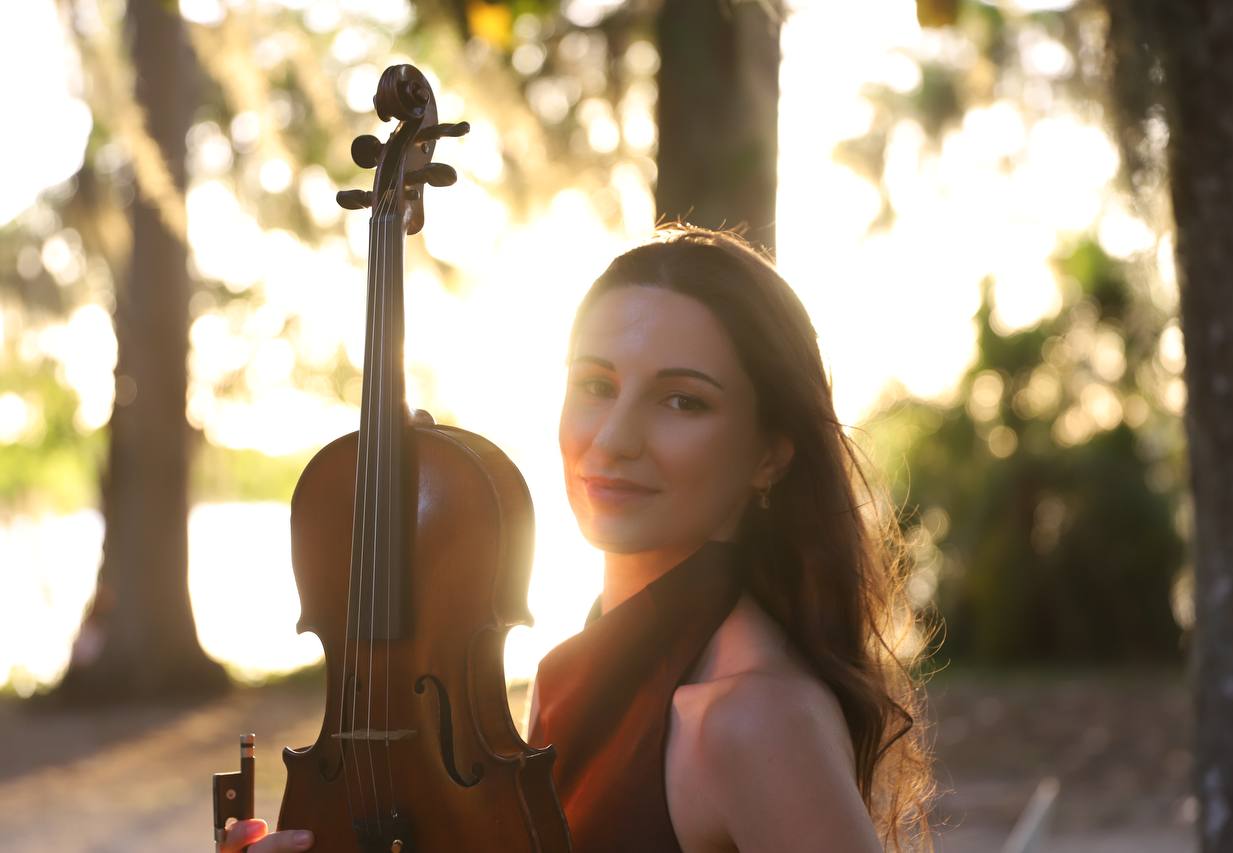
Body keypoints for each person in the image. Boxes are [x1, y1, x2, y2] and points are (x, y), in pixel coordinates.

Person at [220, 223, 937, 852]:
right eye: (595, 385)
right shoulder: (579, 671)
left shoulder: (752, 718)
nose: (615, 439)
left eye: (682, 400)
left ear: (770, 453)